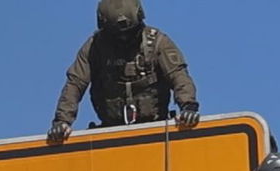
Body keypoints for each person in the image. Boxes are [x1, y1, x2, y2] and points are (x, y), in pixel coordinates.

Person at [47, 0, 200, 143]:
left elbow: (178, 75)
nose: (124, 38)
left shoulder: (157, 42)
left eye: (130, 33)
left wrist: (188, 107)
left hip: (156, 126)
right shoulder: (94, 48)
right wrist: (62, 121)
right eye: (117, 35)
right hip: (111, 130)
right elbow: (75, 83)